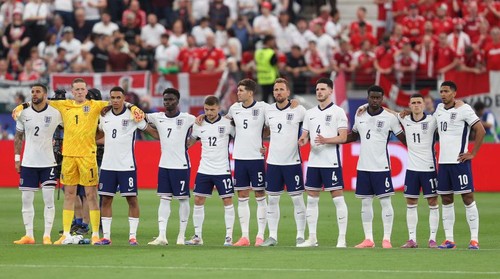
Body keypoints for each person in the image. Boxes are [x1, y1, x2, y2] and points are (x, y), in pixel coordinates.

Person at [12, 78, 144, 245]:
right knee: (69, 194)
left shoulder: (96, 106)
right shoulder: (63, 105)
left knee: (91, 195)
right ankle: (66, 233)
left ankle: (96, 233)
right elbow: (40, 100)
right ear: (72, 91)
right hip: (68, 156)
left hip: (88, 156)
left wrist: (132, 107)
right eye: (77, 89)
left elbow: (117, 102)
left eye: (83, 89)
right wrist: (22, 106)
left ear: (86, 91)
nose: (80, 92)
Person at [345, 85, 406, 249]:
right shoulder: (360, 114)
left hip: (382, 167)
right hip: (363, 167)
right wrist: (334, 140)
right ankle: (368, 239)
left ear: (382, 99)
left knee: (385, 202)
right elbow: (354, 135)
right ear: (367, 97)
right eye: (372, 97)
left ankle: (386, 239)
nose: (375, 100)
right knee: (365, 203)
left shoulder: (389, 118)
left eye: (378, 98)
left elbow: (403, 139)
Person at [94, 87, 157, 246]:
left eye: (118, 97)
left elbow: (150, 131)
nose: (115, 100)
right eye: (113, 97)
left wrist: (166, 137)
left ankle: (132, 237)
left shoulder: (132, 114)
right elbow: (99, 135)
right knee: (106, 200)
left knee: (132, 199)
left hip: (126, 166)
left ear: (124, 99)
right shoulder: (104, 115)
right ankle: (106, 237)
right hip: (108, 166)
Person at [297, 78, 348, 248]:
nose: (319, 91)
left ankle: (341, 239)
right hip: (313, 162)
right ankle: (312, 238)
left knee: (338, 199)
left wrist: (326, 140)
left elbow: (343, 137)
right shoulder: (310, 113)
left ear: (330, 91)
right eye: (317, 89)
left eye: (323, 89)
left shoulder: (338, 112)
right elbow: (305, 135)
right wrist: (303, 140)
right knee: (311, 200)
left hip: (331, 161)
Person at [435, 81, 485, 249]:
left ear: (454, 93)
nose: (443, 94)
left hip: (459, 162)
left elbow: (481, 130)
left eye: (446, 91)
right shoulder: (439, 110)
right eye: (441, 91)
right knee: (446, 199)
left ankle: (474, 239)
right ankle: (449, 239)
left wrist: (473, 153)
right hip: (443, 163)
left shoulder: (464, 109)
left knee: (467, 198)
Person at [13, 83, 62, 245]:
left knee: (49, 200)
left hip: (48, 162)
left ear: (45, 94)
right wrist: (17, 159)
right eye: (32, 91)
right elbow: (19, 137)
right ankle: (29, 235)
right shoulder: (23, 113)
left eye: (38, 91)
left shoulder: (55, 113)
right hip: (28, 163)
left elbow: (69, 130)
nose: (34, 94)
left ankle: (47, 235)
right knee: (26, 200)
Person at [146, 88, 195, 246]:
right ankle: (162, 236)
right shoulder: (157, 117)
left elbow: (204, 124)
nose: (168, 102)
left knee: (183, 199)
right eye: (165, 100)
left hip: (181, 165)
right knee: (164, 199)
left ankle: (181, 236)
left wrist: (193, 140)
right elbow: (138, 115)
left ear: (178, 101)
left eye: (171, 99)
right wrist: (126, 104)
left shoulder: (187, 118)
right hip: (164, 165)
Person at [261, 78, 306, 247]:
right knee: (272, 200)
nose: (278, 92)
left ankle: (300, 236)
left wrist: (305, 137)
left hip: (292, 162)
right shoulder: (268, 110)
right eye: (275, 90)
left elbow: (310, 125)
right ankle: (272, 236)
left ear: (288, 92)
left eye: (281, 89)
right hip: (273, 162)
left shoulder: (299, 110)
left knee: (297, 200)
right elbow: (264, 129)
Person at [185, 96, 235, 246]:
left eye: (212, 109)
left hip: (222, 169)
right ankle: (197, 237)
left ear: (219, 108)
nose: (209, 112)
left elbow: (240, 138)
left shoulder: (228, 124)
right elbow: (192, 140)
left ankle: (229, 237)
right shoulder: (198, 124)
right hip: (204, 169)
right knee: (198, 200)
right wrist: (183, 146)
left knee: (227, 200)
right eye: (206, 109)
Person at [226, 79, 269, 247]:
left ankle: (260, 235)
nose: (238, 93)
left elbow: (271, 125)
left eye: (241, 90)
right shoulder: (233, 108)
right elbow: (223, 122)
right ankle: (245, 236)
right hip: (240, 158)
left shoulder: (263, 107)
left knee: (259, 195)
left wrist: (263, 140)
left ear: (250, 93)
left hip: (256, 158)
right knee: (242, 196)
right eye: (238, 90)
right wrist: (204, 118)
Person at [397, 94, 440, 248]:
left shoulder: (432, 120)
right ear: (409, 105)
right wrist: (364, 108)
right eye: (413, 102)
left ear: (424, 105)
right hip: (412, 169)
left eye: (419, 102)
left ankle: (432, 239)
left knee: (433, 202)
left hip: (429, 169)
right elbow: (389, 113)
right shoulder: (404, 119)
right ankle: (412, 239)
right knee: (411, 202)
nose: (416, 105)